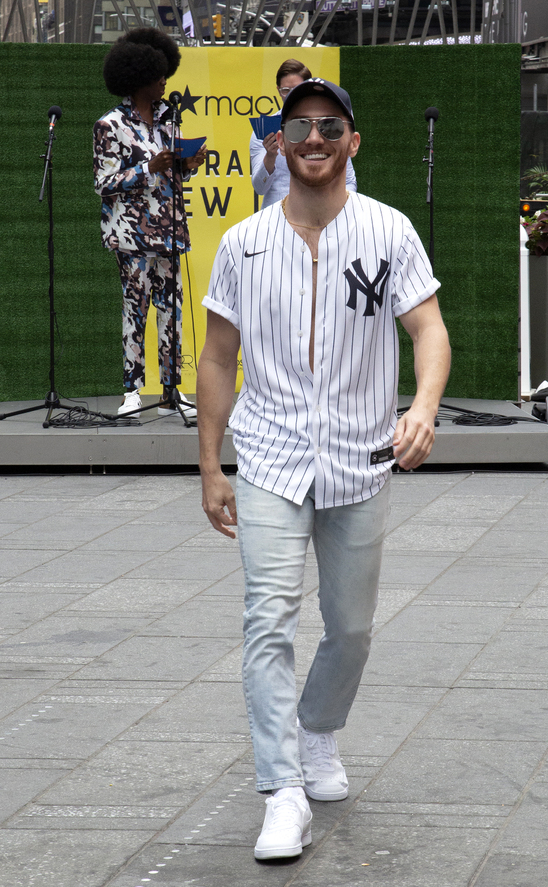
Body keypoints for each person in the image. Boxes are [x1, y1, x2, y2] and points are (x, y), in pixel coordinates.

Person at [196, 79, 451, 861]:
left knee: (350, 627)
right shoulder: (243, 243)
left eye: (329, 126)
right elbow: (215, 358)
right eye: (299, 125)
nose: (314, 138)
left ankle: (317, 733)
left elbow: (429, 330)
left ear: (352, 141)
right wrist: (210, 465)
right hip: (270, 454)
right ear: (280, 139)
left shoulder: (389, 231)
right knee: (267, 618)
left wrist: (424, 407)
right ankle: (281, 791)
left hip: (361, 457)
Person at [93, 27, 206, 419]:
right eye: (159, 76)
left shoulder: (167, 121)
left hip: (170, 234)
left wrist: (186, 167)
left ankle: (172, 392)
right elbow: (103, 183)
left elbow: (170, 177)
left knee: (171, 311)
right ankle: (132, 392)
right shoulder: (110, 125)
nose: (164, 82)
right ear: (139, 78)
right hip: (131, 237)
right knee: (135, 311)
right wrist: (147, 167)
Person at [250, 58, 357, 207]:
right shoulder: (263, 131)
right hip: (278, 216)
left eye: (296, 90)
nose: (289, 95)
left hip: (324, 214)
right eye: (285, 90)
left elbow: (349, 180)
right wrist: (270, 156)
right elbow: (259, 187)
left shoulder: (330, 127)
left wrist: (340, 210)